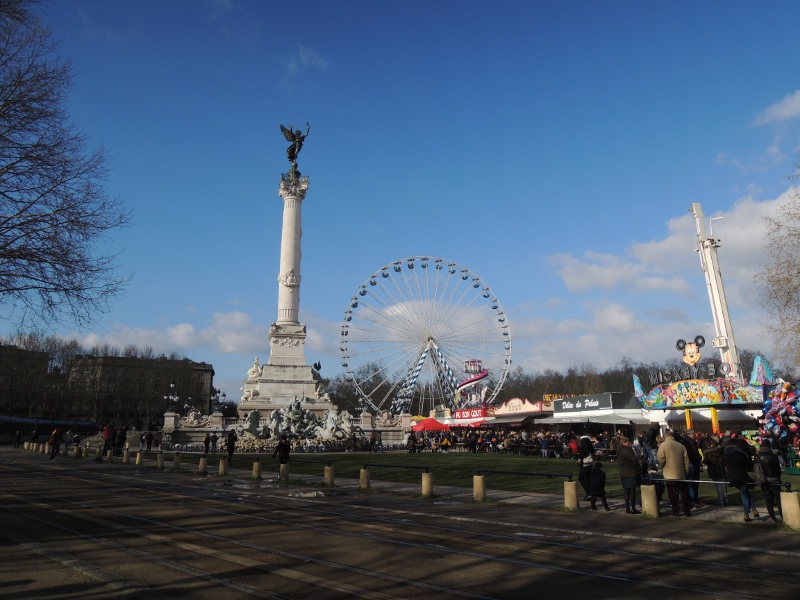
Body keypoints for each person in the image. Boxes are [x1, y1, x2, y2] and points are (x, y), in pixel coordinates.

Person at [723, 437, 759, 522]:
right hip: (741, 474)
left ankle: (754, 509)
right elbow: (747, 466)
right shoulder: (741, 453)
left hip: (731, 475)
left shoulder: (726, 453)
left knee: (745, 492)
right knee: (744, 493)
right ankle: (746, 514)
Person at [657, 430, 691, 517]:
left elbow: (660, 458)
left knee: (672, 493)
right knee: (683, 492)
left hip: (669, 472)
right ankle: (686, 511)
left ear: (665, 437)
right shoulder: (681, 445)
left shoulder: (663, 445)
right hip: (680, 472)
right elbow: (686, 460)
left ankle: (675, 510)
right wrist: (686, 471)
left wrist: (662, 465)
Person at [756, 439, 783, 523]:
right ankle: (782, 516)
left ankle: (772, 517)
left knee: (768, 499)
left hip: (764, 479)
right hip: (774, 478)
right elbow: (778, 469)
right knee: (778, 498)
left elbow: (756, 470)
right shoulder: (774, 456)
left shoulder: (758, 456)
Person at [617, 437, 642, 514]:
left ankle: (627, 508)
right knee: (632, 492)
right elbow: (634, 460)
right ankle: (633, 508)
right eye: (627, 442)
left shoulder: (619, 450)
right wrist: (640, 469)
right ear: (624, 442)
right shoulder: (627, 450)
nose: (629, 443)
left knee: (626, 491)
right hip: (630, 472)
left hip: (623, 473)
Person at [702, 434, 728, 505]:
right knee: (721, 484)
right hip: (720, 467)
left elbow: (706, 460)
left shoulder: (710, 452)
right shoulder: (720, 449)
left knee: (717, 484)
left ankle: (720, 500)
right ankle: (724, 498)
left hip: (714, 468)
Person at [680, 429, 704, 507]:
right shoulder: (691, 442)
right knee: (694, 483)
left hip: (688, 464)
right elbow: (695, 454)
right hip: (693, 464)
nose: (695, 435)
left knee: (689, 483)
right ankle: (694, 500)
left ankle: (691, 500)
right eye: (694, 434)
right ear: (690, 434)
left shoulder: (684, 441)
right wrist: (699, 464)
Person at [578, 430, 595, 501]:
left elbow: (585, 451)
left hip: (585, 462)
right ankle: (590, 493)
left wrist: (580, 458)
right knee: (588, 478)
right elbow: (592, 450)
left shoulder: (583, 441)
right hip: (590, 462)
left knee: (581, 478)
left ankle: (588, 493)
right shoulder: (588, 440)